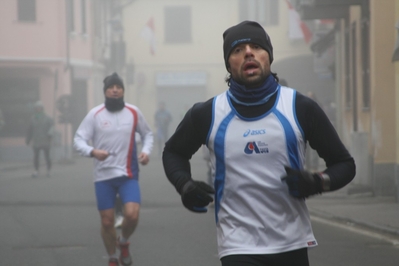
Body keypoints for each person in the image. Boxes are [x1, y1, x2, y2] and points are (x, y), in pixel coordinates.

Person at [162, 21, 356, 266]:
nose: (248, 53)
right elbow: (173, 152)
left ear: (269, 57)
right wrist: (184, 185)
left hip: (291, 242)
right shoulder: (208, 113)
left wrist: (318, 182)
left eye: (256, 46)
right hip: (237, 245)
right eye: (237, 50)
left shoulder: (299, 107)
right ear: (228, 64)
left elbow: (345, 164)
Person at [73, 72, 153, 266]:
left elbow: (147, 134)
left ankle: (123, 243)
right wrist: (92, 151)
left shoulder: (134, 112)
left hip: (128, 174)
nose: (115, 90)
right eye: (111, 87)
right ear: (105, 91)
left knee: (132, 215)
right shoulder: (95, 114)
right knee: (107, 221)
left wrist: (146, 151)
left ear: (123, 91)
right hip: (103, 176)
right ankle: (112, 258)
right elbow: (78, 139)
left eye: (118, 87)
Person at [26, 101, 54, 178]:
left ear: (42, 109)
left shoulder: (47, 118)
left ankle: (48, 170)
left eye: (40, 108)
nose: (38, 109)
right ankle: (36, 171)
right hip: (36, 141)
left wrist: (50, 135)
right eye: (37, 108)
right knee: (36, 156)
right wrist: (28, 139)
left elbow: (52, 127)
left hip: (45, 140)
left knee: (47, 156)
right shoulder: (33, 118)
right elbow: (30, 129)